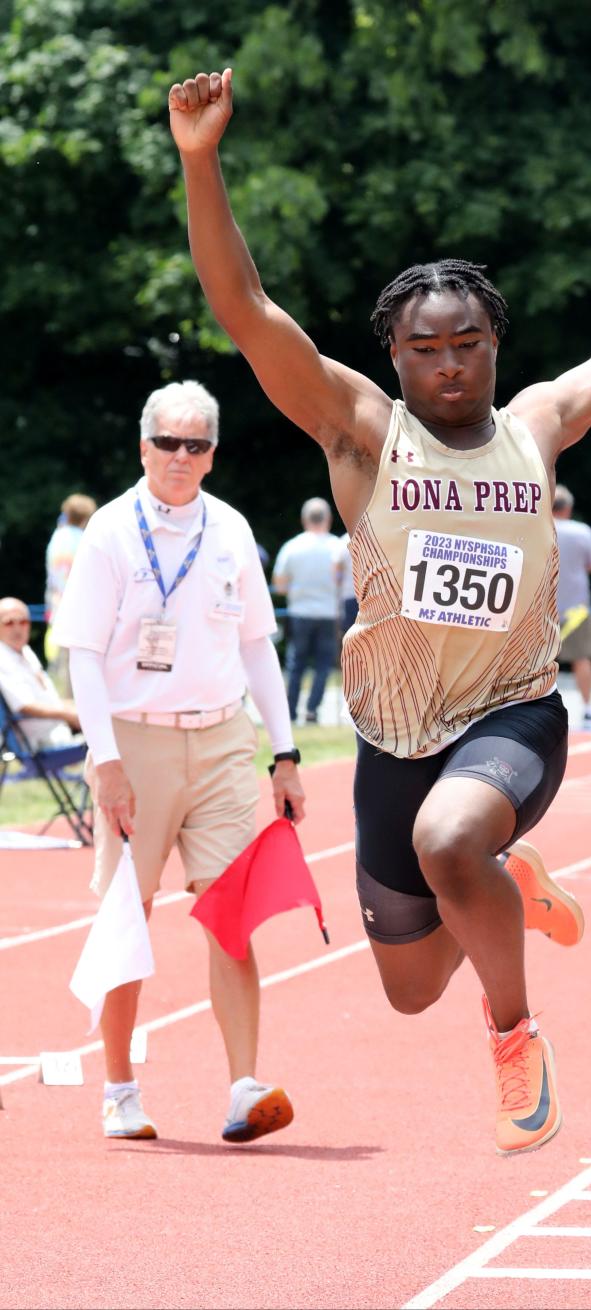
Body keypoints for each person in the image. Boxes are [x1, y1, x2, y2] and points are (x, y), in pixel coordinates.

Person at [169, 65, 591, 1154]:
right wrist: (200, 158)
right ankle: (507, 885)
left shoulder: (536, 424)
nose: (450, 363)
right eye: (426, 347)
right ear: (395, 356)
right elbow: (247, 311)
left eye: (468, 342)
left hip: (511, 715)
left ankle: (514, 1035)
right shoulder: (363, 429)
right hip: (392, 731)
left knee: (452, 836)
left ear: (495, 343)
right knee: (410, 982)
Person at [52, 380, 306, 1144]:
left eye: (196, 444)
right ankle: (120, 1090)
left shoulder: (230, 530)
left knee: (231, 914)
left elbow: (259, 645)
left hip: (223, 737)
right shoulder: (108, 532)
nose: (180, 457)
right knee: (132, 916)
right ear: (143, 447)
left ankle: (242, 1088)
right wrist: (105, 760)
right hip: (136, 739)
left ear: (213, 455)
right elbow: (83, 656)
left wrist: (286, 752)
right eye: (168, 442)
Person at [272, 497, 347, 723]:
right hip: (329, 614)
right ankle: (313, 709)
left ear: (304, 519)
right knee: (324, 665)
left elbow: (280, 585)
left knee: (296, 664)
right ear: (329, 519)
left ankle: (291, 710)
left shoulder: (292, 547)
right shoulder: (337, 546)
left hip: (300, 612)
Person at [552, 485, 591, 728]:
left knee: (536, 662)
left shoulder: (538, 528)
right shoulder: (582, 532)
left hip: (541, 607)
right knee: (582, 658)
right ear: (569, 508)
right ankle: (588, 709)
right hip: (577, 608)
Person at [0, 596, 81, 749]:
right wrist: (70, 714)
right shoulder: (3, 658)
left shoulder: (24, 650)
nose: (17, 628)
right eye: (9, 622)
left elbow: (46, 698)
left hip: (56, 729)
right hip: (41, 741)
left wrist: (77, 708)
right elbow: (24, 705)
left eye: (23, 622)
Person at [44, 493, 97, 693]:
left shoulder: (57, 537)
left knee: (59, 670)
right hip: (79, 612)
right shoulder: (86, 540)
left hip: (57, 610)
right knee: (78, 671)